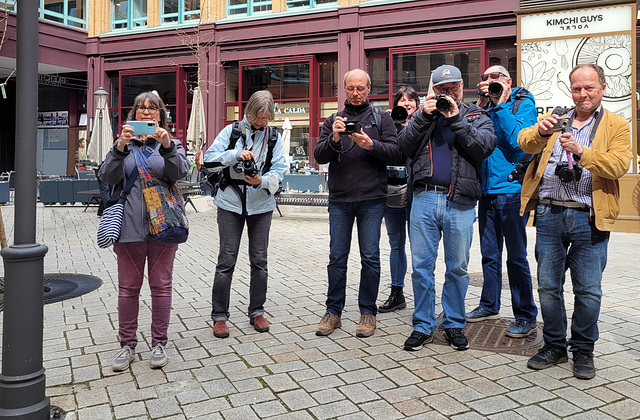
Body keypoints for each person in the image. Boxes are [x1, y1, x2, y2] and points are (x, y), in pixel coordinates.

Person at [518, 63, 632, 379]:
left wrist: (582, 151)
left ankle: (583, 349)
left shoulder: (617, 125)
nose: (582, 94)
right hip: (550, 213)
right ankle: (554, 345)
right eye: (577, 88)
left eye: (589, 88)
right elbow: (524, 142)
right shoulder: (558, 117)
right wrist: (541, 131)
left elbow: (619, 165)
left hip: (589, 216)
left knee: (589, 290)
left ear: (603, 87)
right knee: (548, 286)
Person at [398, 64, 497, 351]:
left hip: (460, 201)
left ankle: (454, 323)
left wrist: (455, 119)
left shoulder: (476, 115)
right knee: (421, 268)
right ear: (432, 90)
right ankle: (423, 325)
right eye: (442, 89)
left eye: (452, 87)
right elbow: (403, 146)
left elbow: (483, 148)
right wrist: (422, 116)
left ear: (461, 87)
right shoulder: (422, 115)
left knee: (457, 268)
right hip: (424, 198)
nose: (447, 93)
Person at [99, 91, 189, 372]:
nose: (146, 112)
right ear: (133, 114)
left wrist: (167, 146)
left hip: (163, 227)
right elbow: (106, 176)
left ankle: (159, 342)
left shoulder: (171, 144)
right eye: (141, 108)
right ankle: (127, 345)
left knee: (161, 285)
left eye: (153, 108)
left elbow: (180, 173)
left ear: (161, 115)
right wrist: (120, 147)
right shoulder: (122, 145)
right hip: (128, 229)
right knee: (128, 289)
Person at [313, 69, 401, 338]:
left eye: (360, 88)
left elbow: (396, 152)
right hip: (339, 199)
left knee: (370, 258)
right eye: (350, 88)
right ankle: (333, 312)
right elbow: (319, 155)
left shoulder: (382, 118)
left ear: (368, 89)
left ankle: (368, 312)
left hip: (372, 199)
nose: (355, 93)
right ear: (344, 90)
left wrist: (370, 144)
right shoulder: (332, 120)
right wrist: (335, 138)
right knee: (336, 258)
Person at [203, 90, 287, 339]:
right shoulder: (231, 132)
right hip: (229, 203)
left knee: (259, 261)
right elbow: (209, 160)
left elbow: (281, 170)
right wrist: (234, 155)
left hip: (261, 206)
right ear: (248, 112)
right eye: (256, 116)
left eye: (265, 117)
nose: (260, 122)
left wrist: (261, 180)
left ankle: (257, 311)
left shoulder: (274, 137)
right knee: (226, 261)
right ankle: (219, 316)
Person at [465, 65, 539, 338]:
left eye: (495, 77)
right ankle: (489, 304)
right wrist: (485, 105)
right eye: (484, 78)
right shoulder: (482, 106)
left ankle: (525, 314)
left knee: (516, 257)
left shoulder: (523, 103)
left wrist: (501, 104)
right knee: (489, 254)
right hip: (485, 191)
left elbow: (519, 142)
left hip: (511, 189)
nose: (489, 81)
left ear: (508, 81)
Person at [379, 86, 420, 313]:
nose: (406, 104)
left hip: (416, 192)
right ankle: (397, 293)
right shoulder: (389, 124)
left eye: (410, 100)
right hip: (393, 192)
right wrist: (387, 125)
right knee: (396, 243)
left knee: (419, 246)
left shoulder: (424, 121)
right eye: (401, 100)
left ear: (417, 103)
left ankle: (422, 295)